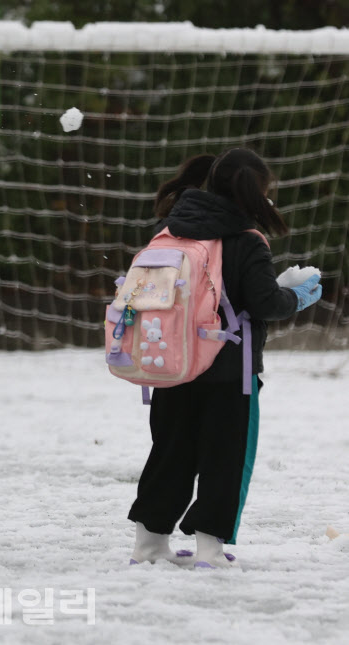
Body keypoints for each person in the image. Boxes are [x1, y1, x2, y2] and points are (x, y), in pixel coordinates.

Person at [127, 148, 322, 569]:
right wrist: (299, 294)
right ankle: (211, 551)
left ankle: (148, 545)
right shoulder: (245, 240)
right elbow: (266, 303)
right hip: (230, 372)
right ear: (256, 193)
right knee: (225, 458)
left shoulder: (170, 228)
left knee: (170, 452)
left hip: (171, 364)